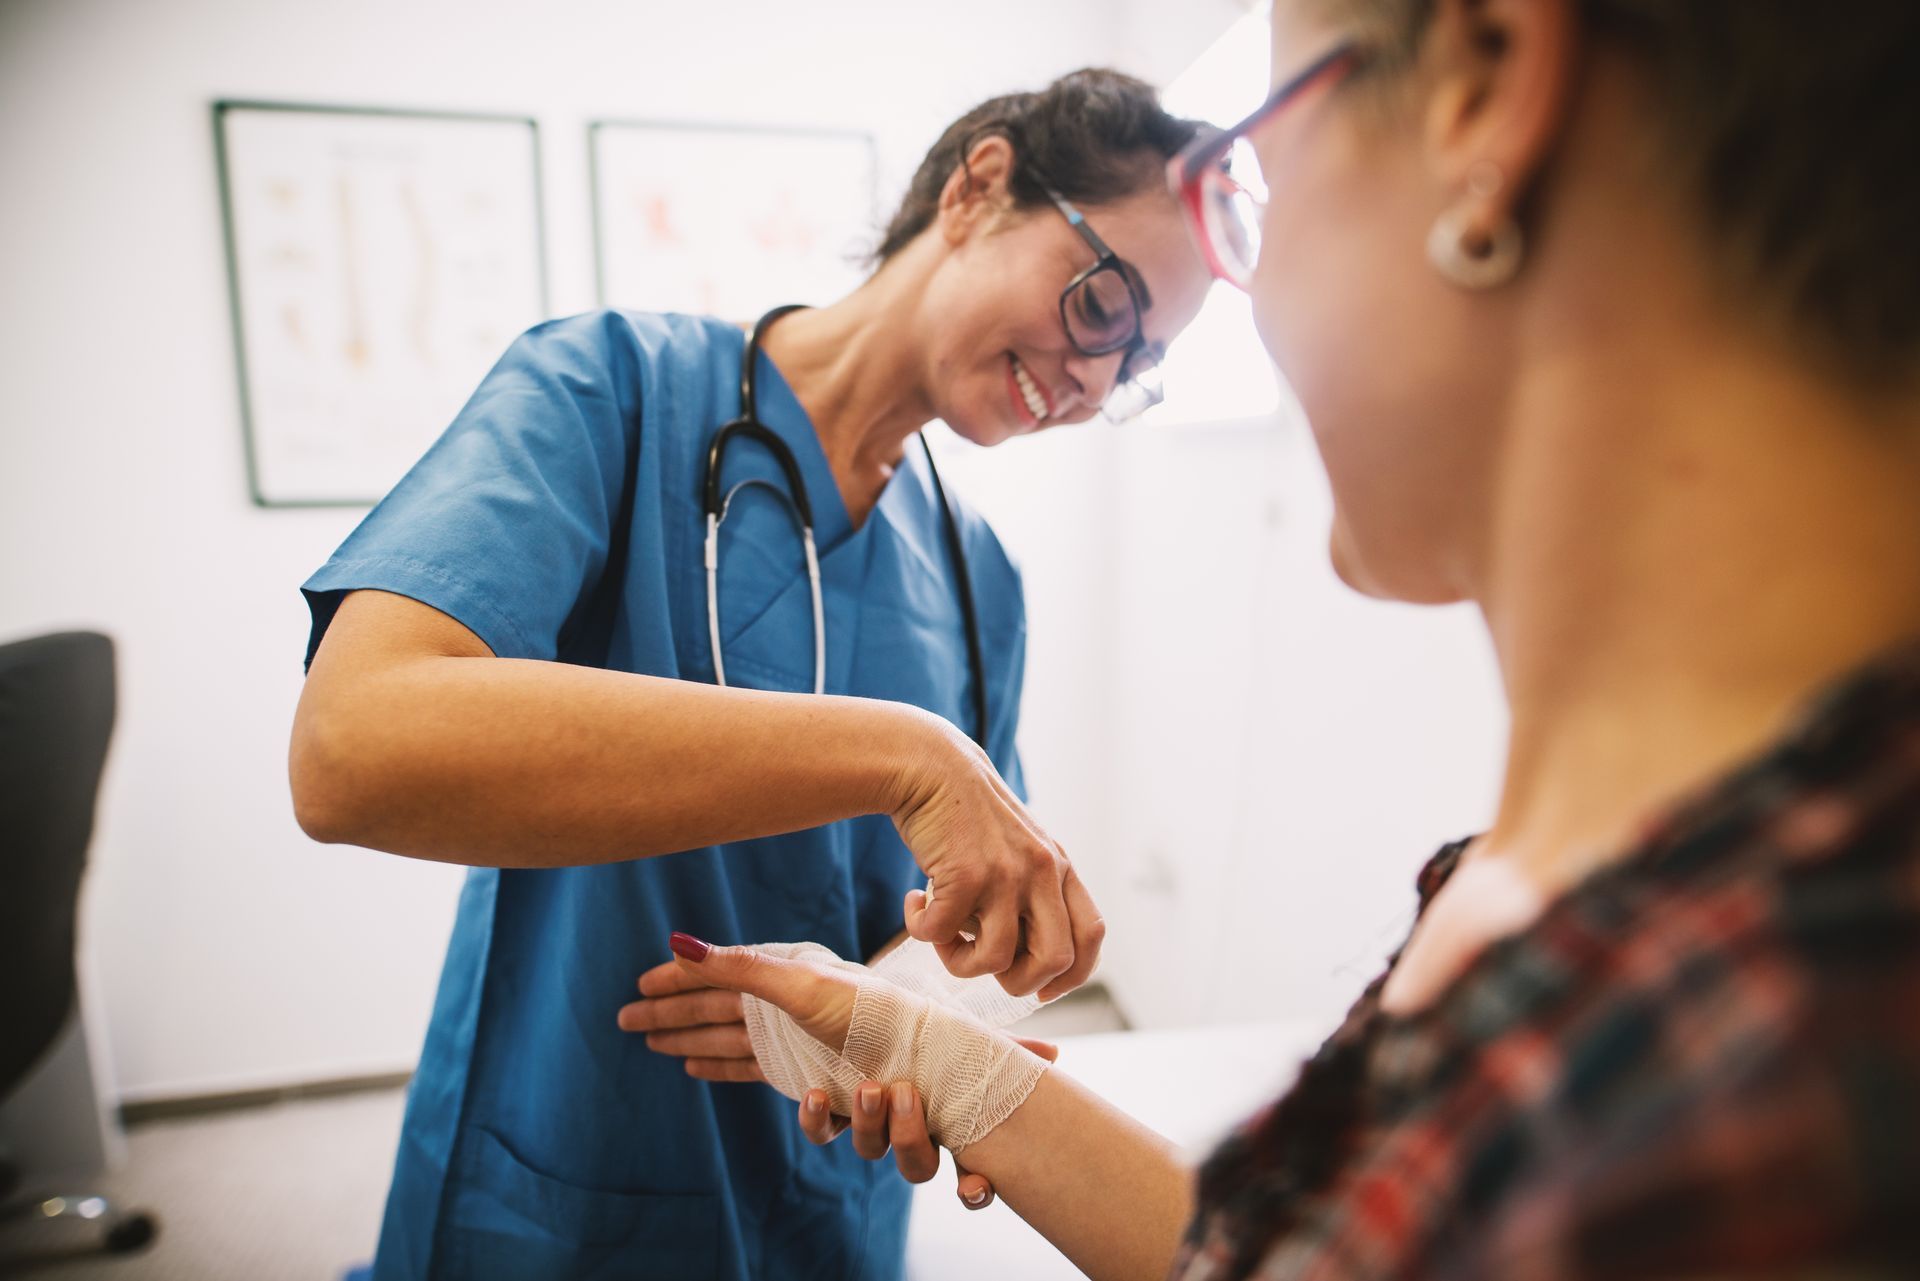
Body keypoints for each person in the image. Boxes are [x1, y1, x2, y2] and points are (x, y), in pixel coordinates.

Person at [640, 1, 1920, 1277]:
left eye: (1260, 181)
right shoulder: (1620, 918)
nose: (1102, 383)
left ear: (1484, 86)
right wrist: (934, 1055)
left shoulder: (1746, 1063)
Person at [288, 71, 1214, 1281]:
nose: (1094, 384)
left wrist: (897, 1030)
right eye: (1107, 307)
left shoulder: (979, 575)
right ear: (980, 189)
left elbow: (950, 935)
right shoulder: (608, 391)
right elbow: (352, 750)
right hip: (568, 1172)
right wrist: (905, 752)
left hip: (831, 1194)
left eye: (1136, 366)